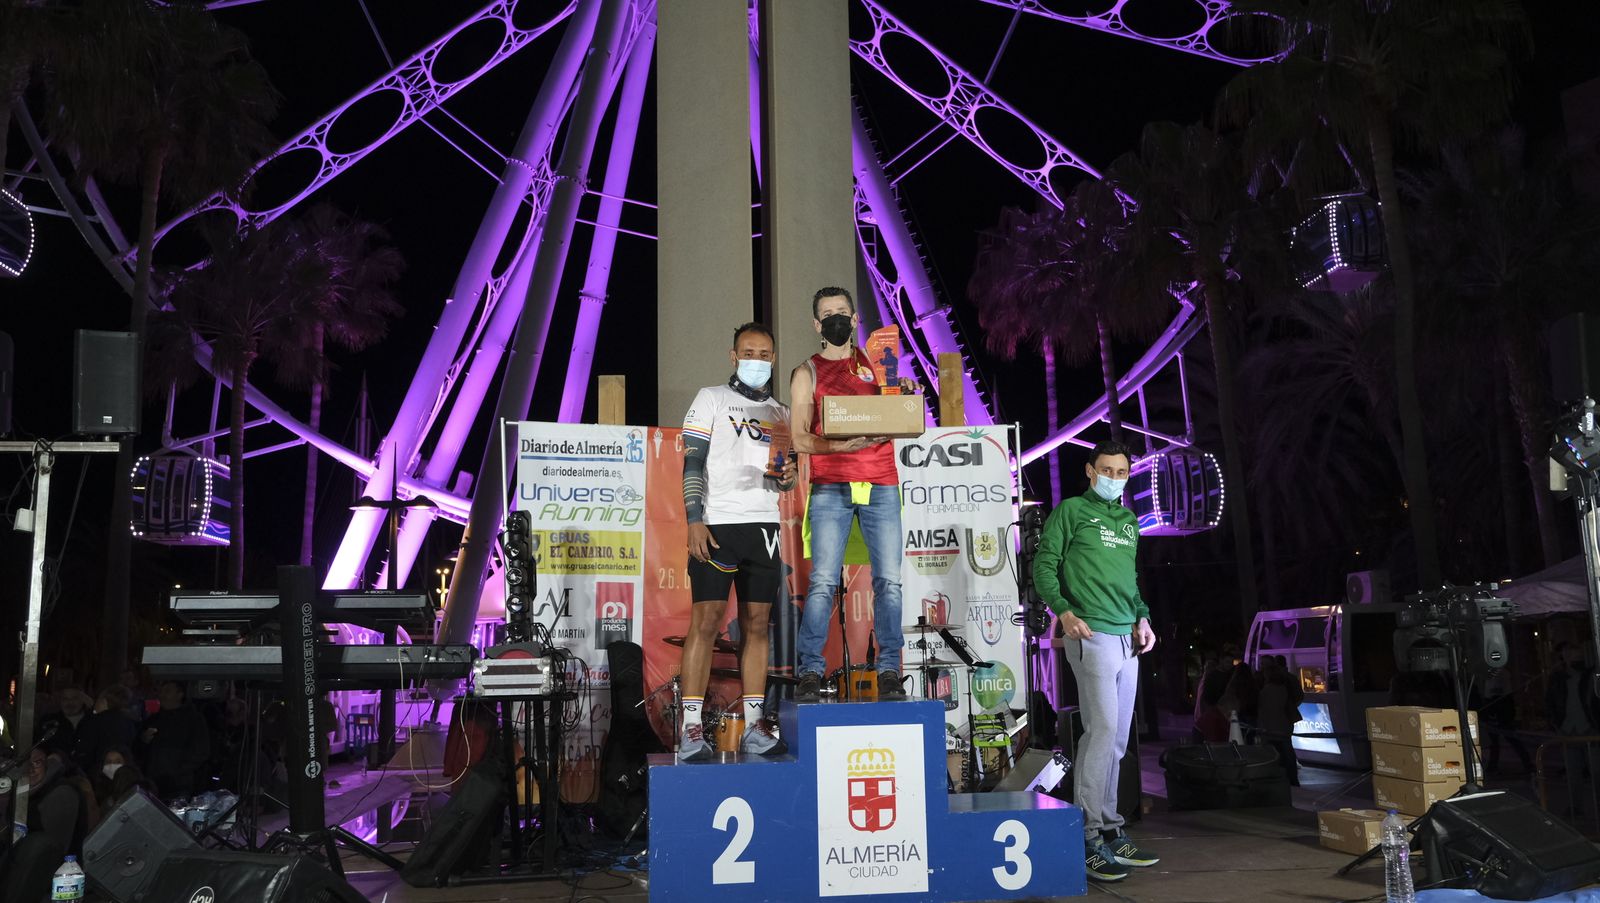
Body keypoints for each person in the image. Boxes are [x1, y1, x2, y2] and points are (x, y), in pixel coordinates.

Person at [1031, 440, 1159, 883]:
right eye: (1106, 470)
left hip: (1128, 639)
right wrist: (1064, 613)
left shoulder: (1128, 522)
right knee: (1101, 730)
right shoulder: (1070, 511)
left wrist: (1143, 618)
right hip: (1091, 634)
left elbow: (1131, 580)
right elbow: (1044, 566)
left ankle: (1110, 827)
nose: (1114, 478)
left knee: (1118, 739)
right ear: (1090, 471)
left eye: (1121, 472)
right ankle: (1086, 836)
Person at [677, 322, 799, 760]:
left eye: (765, 354)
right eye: (749, 352)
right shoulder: (710, 398)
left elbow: (784, 478)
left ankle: (753, 725)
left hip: (764, 527)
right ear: (733, 356)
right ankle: (690, 728)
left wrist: (790, 477)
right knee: (706, 623)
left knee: (756, 628)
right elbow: (693, 463)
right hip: (718, 525)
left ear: (773, 358)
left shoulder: (781, 413)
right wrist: (694, 520)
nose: (757, 360)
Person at [790, 287, 917, 704]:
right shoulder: (806, 372)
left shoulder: (881, 364)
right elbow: (799, 438)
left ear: (855, 319)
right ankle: (809, 671)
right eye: (828, 314)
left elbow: (899, 411)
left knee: (890, 583)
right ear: (816, 324)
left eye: (842, 312)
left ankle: (890, 672)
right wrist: (835, 447)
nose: (836, 320)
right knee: (824, 582)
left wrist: (904, 395)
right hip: (831, 485)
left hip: (881, 482)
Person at [138, 681, 211, 800]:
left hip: (179, 784)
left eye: (167, 691)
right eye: (161, 691)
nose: (162, 695)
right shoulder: (153, 719)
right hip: (153, 782)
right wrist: (143, 740)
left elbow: (201, 751)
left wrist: (178, 770)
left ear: (180, 694)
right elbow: (139, 750)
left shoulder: (194, 719)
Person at [1255, 655, 1304, 786]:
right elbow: (1299, 696)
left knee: (1274, 753)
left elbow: (1262, 710)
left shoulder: (1266, 691)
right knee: (1288, 751)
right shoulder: (1286, 685)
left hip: (1270, 727)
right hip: (1285, 724)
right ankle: (1292, 779)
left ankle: (1278, 779)